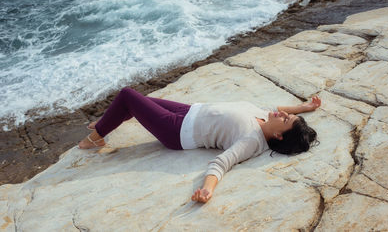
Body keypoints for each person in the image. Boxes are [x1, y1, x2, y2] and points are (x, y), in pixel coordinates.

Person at [78, 87, 321, 203]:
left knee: (127, 96)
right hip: (190, 111)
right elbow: (278, 108)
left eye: (286, 120)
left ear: (279, 136)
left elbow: (222, 163)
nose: (282, 115)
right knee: (138, 102)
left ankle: (97, 136)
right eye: (287, 116)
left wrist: (207, 189)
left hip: (176, 130)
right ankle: (110, 118)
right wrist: (303, 108)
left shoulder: (252, 139)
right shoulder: (266, 115)